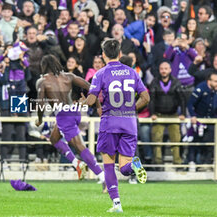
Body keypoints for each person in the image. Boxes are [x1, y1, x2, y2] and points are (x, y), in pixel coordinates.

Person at [81, 39, 150, 213]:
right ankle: (133, 165)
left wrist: (85, 99)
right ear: (120, 54)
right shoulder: (132, 72)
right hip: (129, 122)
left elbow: (90, 101)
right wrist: (129, 109)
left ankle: (117, 204)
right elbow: (146, 98)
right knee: (125, 167)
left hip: (110, 122)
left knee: (109, 164)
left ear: (103, 55)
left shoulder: (101, 73)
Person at [35, 54, 106, 188]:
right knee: (54, 139)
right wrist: (97, 106)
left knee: (80, 148)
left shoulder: (43, 81)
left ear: (44, 66)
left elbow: (40, 104)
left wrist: (39, 119)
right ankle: (77, 164)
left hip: (63, 115)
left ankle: (103, 177)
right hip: (74, 111)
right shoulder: (69, 76)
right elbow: (91, 87)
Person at [149, 62, 185, 167]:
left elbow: (182, 99)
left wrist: (182, 113)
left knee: (176, 139)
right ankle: (158, 163)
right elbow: (152, 99)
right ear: (159, 70)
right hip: (158, 115)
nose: (163, 71)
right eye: (161, 68)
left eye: (166, 68)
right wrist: (152, 113)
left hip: (173, 114)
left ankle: (177, 163)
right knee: (157, 139)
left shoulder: (176, 82)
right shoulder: (154, 82)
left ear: (170, 70)